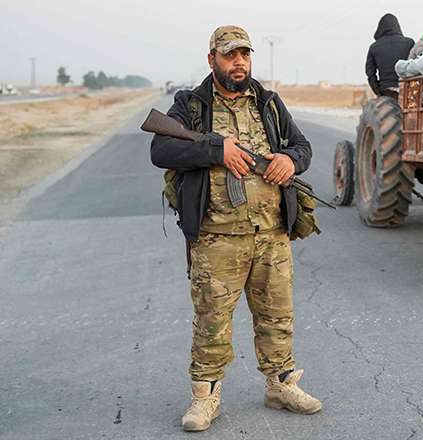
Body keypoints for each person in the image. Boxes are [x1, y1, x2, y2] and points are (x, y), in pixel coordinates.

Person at [149, 25, 321, 432]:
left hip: (271, 235)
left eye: (244, 54)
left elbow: (303, 147)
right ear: (212, 60)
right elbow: (161, 149)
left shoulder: (268, 102)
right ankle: (204, 398)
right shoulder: (191, 104)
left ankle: (281, 386)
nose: (238, 61)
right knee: (212, 320)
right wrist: (215, 149)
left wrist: (290, 161)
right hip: (216, 238)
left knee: (277, 317)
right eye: (229, 55)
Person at [366, 13, 415, 100]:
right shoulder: (409, 43)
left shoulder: (374, 47)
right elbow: (415, 66)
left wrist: (377, 91)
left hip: (386, 91)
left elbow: (370, 73)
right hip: (406, 89)